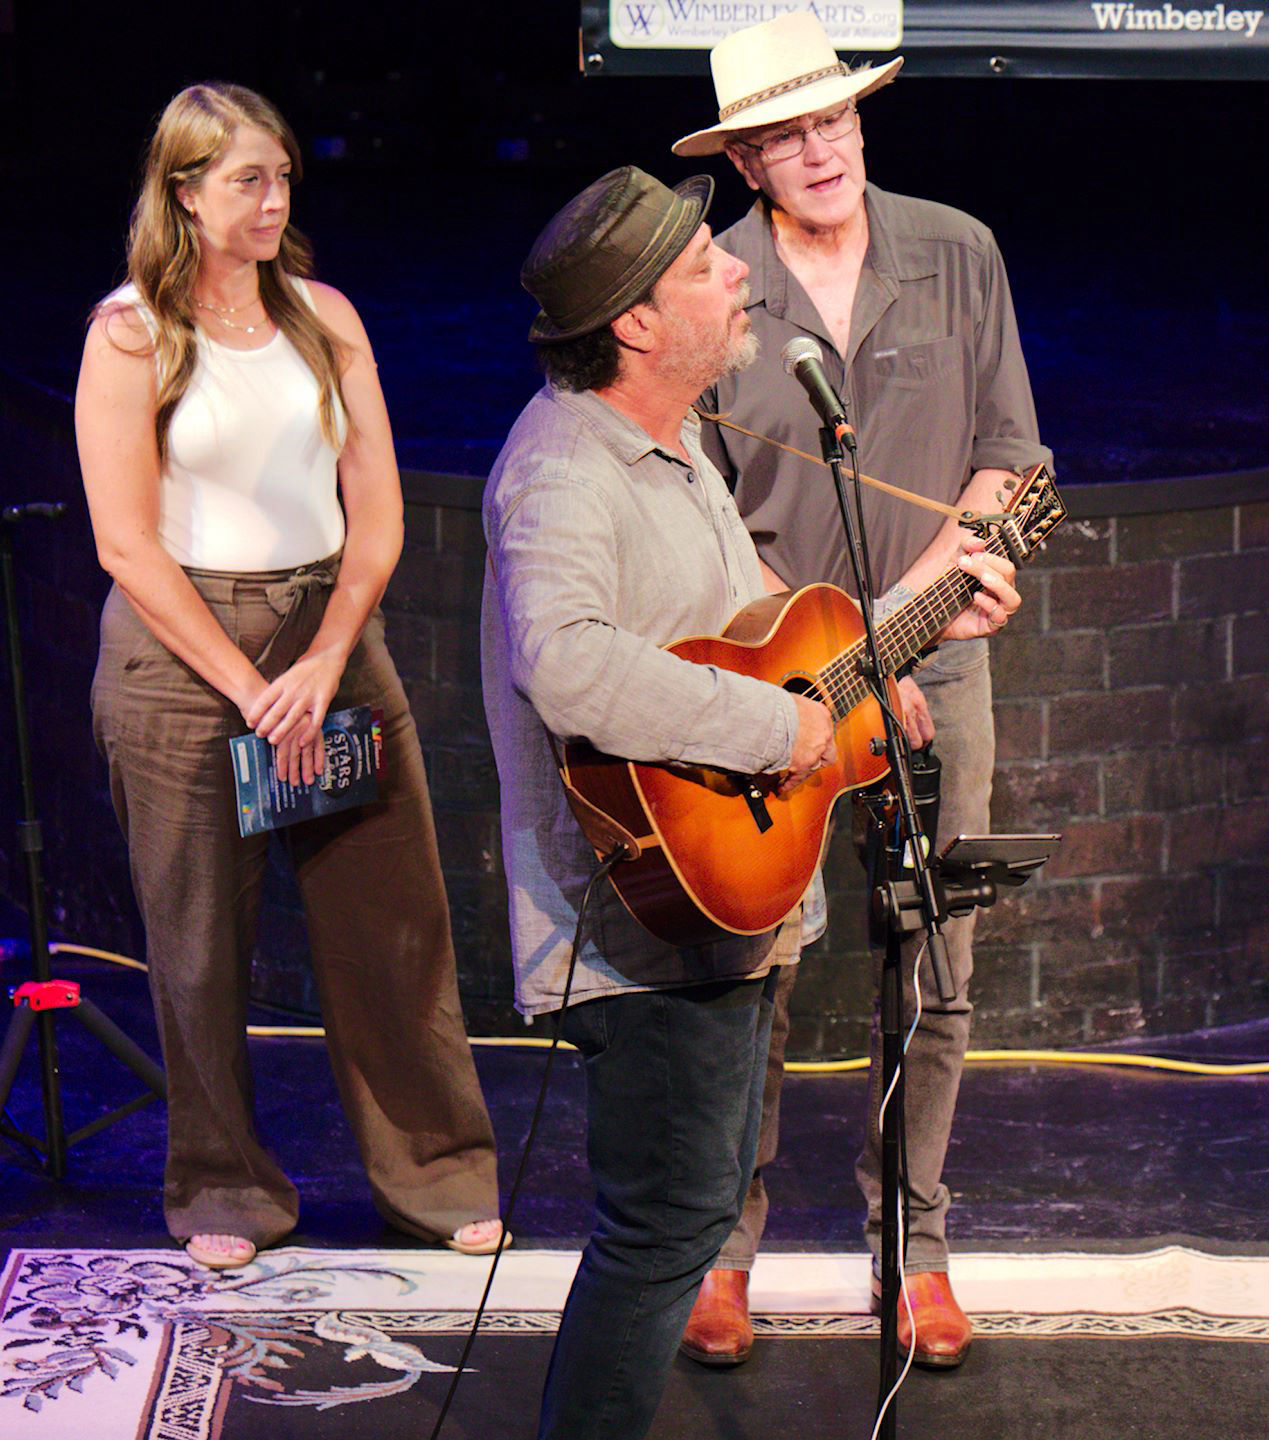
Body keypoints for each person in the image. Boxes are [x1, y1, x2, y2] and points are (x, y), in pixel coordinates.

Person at [481, 164, 1019, 1440]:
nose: (740, 277)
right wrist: (787, 728)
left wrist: (901, 642)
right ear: (637, 326)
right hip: (641, 927)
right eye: (706, 272)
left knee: (681, 1216)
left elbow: (765, 654)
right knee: (661, 1232)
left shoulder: (676, 453)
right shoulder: (566, 466)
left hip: (720, 913)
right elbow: (563, 659)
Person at [669, 12, 1053, 1370]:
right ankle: (722, 1247)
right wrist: (811, 663)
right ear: (749, 162)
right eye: (784, 135)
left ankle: (921, 1247)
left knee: (936, 960)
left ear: (863, 125)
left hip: (940, 648)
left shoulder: (958, 250)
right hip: (775, 674)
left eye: (831, 120)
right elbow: (695, 513)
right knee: (753, 964)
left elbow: (1010, 452)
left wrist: (974, 566)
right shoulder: (706, 290)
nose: (817, 150)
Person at [74, 83, 502, 1271]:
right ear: (185, 191)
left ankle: (434, 1173)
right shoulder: (129, 335)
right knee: (201, 940)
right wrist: (247, 683)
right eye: (246, 181)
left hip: (328, 640)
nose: (273, 201)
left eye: (281, 179)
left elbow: (376, 512)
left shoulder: (324, 316)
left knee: (390, 926)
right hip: (181, 657)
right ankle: (222, 1186)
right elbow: (125, 541)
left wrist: (321, 660)